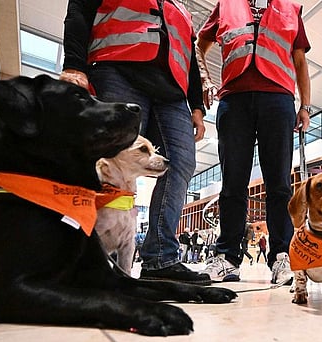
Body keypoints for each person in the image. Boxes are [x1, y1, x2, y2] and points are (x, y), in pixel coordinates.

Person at [60, 0, 210, 285]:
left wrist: (196, 107)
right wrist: (74, 64)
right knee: (105, 157)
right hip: (117, 69)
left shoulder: (181, 9)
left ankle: (160, 258)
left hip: (173, 92)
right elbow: (80, 9)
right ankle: (87, 253)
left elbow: (189, 57)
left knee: (180, 162)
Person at [197, 0, 311, 285]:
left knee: (280, 185)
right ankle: (227, 258)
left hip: (279, 100)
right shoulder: (226, 5)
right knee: (233, 183)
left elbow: (300, 60)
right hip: (233, 100)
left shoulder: (291, 8)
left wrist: (305, 106)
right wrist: (204, 80)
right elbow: (199, 43)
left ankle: (282, 256)